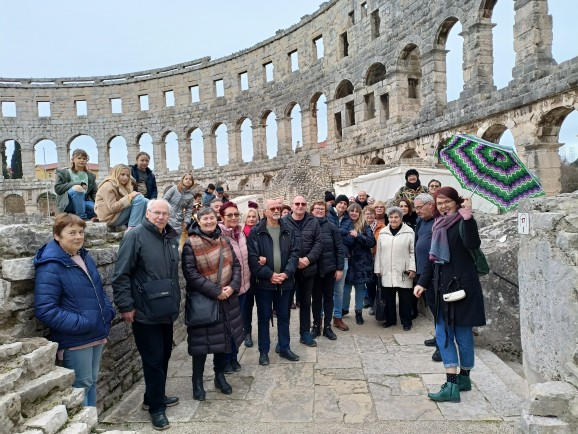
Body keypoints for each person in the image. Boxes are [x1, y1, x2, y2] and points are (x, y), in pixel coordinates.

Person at [112, 199, 180, 430]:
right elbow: (121, 274)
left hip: (166, 308)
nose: (160, 217)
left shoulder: (170, 237)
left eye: (164, 213)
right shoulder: (135, 236)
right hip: (144, 310)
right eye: (156, 213)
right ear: (147, 214)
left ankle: (153, 396)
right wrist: (126, 306)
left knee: (164, 356)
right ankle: (156, 409)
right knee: (153, 359)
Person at [34, 213, 115, 407]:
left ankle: (92, 423)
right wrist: (82, 323)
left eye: (81, 231)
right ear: (57, 235)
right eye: (72, 232)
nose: (78, 236)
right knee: (81, 385)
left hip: (97, 331)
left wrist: (107, 311)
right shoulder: (51, 265)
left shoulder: (83, 256)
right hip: (76, 338)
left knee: (92, 382)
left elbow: (98, 289)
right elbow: (46, 309)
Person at [414, 187, 486, 403]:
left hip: (460, 287)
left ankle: (452, 385)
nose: (443, 206)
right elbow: (431, 259)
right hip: (443, 287)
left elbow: (473, 244)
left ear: (456, 202)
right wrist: (423, 282)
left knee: (448, 334)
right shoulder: (438, 224)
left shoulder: (463, 223)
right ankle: (463, 379)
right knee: (453, 333)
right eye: (439, 202)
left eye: (447, 201)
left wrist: (469, 217)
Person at [183, 207, 244, 401]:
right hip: (205, 301)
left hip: (227, 299)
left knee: (223, 343)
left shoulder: (224, 240)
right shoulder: (191, 244)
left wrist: (232, 287)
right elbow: (190, 274)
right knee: (201, 346)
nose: (209, 222)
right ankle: (197, 383)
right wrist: (216, 291)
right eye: (205, 219)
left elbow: (236, 265)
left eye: (211, 218)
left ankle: (219, 376)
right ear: (198, 221)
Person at [247, 198, 299, 366]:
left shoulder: (289, 230)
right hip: (264, 284)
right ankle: (264, 352)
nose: (276, 210)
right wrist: (270, 275)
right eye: (273, 208)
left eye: (279, 207)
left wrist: (286, 273)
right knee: (263, 318)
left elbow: (294, 253)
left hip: (285, 282)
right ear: (265, 211)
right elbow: (253, 259)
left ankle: (284, 347)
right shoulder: (256, 232)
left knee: (284, 316)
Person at [284, 195, 322, 347]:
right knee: (285, 304)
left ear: (306, 206)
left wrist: (308, 259)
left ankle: (305, 333)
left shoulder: (313, 221)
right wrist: (294, 260)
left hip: (308, 269)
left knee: (306, 303)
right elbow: (281, 243)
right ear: (292, 206)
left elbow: (318, 243)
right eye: (297, 203)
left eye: (303, 204)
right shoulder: (284, 222)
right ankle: (283, 337)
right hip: (290, 270)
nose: (300, 206)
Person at [218, 202, 251, 373]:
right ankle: (225, 361)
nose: (233, 218)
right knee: (227, 328)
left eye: (236, 215)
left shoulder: (241, 234)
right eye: (229, 215)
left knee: (239, 326)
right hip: (229, 289)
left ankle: (234, 357)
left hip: (244, 287)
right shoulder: (219, 235)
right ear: (222, 218)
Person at [374, 206, 416, 330]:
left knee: (405, 299)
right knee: (388, 298)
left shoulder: (409, 232)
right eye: (391, 217)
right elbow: (379, 252)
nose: (393, 219)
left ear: (401, 218)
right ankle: (390, 320)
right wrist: (378, 269)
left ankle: (406, 321)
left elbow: (413, 252)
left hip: (404, 270)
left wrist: (412, 268)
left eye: (396, 217)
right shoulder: (383, 232)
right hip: (387, 270)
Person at [414, 193, 442, 362]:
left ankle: (442, 346)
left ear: (431, 205)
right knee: (433, 307)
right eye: (416, 207)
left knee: (440, 311)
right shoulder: (421, 222)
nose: (417, 211)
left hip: (435, 274)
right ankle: (439, 338)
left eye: (419, 207)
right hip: (423, 272)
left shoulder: (438, 223)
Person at [310, 201, 344, 340]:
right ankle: (317, 326)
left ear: (326, 211)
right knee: (316, 299)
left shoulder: (332, 227)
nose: (319, 211)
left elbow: (339, 248)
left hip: (329, 269)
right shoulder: (308, 226)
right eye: (316, 208)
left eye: (322, 209)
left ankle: (328, 327)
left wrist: (340, 268)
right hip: (313, 270)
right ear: (311, 211)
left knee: (329, 299)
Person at [342, 202, 376, 325]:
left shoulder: (364, 226)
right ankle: (344, 309)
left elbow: (371, 242)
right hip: (348, 261)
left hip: (362, 263)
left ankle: (358, 312)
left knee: (360, 289)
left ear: (360, 213)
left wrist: (358, 236)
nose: (354, 213)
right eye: (352, 210)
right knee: (346, 289)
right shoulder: (343, 225)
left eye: (357, 211)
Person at [327, 195, 354, 331]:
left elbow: (351, 240)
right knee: (325, 289)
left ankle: (337, 317)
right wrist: (343, 233)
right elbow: (327, 234)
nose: (342, 205)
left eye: (345, 203)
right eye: (340, 203)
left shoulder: (349, 219)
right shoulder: (328, 214)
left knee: (339, 290)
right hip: (327, 257)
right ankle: (321, 317)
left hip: (343, 257)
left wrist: (336, 233)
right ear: (336, 204)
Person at [95, 164, 147, 229]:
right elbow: (112, 208)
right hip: (110, 218)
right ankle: (132, 229)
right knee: (139, 199)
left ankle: (144, 227)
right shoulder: (108, 186)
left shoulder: (123, 185)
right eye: (122, 174)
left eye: (128, 175)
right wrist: (129, 197)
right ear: (116, 174)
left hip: (117, 215)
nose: (126, 178)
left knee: (145, 201)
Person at [54, 149, 97, 220]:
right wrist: (77, 183)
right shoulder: (63, 173)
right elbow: (58, 189)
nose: (82, 160)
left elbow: (94, 193)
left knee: (96, 208)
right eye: (79, 158)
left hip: (84, 202)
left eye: (84, 159)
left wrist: (99, 204)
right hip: (68, 202)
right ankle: (82, 218)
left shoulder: (91, 176)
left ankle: (76, 216)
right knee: (78, 188)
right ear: (73, 159)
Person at [242, 207, 259, 346]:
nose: (252, 219)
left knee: (263, 306)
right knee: (247, 306)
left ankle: (263, 331)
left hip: (260, 274)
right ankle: (247, 332)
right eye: (249, 217)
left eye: (254, 216)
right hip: (246, 275)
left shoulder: (261, 231)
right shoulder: (241, 234)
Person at [363, 205, 385, 313]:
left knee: (379, 282)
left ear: (374, 215)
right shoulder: (361, 227)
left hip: (378, 256)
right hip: (366, 259)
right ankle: (372, 304)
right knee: (370, 283)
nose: (369, 216)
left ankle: (379, 304)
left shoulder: (382, 227)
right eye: (367, 214)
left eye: (371, 214)